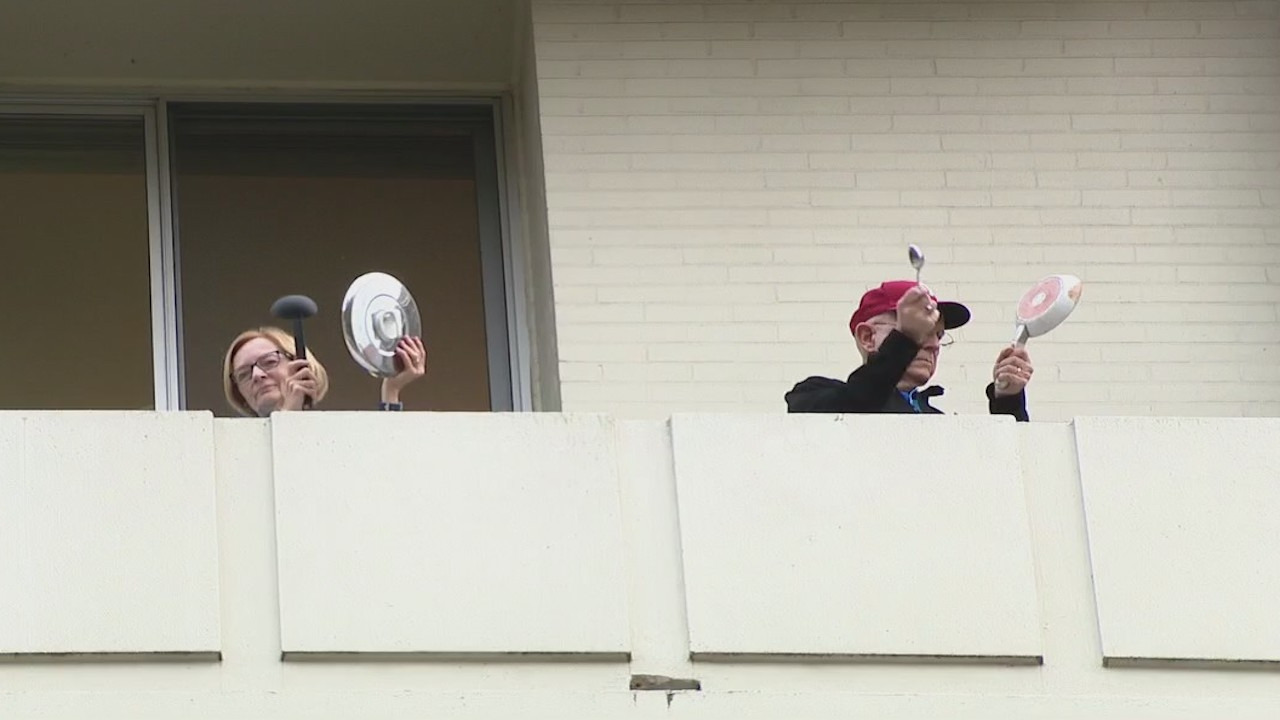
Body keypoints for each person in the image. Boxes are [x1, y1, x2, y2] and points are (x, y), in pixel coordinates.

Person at [784, 280, 1033, 421]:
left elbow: (1009, 467)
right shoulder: (814, 396)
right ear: (867, 337)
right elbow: (858, 406)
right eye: (921, 329)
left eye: (938, 335)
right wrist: (906, 339)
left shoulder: (938, 421)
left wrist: (1008, 400)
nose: (933, 344)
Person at [222, 326, 427, 417]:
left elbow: (385, 460)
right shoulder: (237, 448)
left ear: (299, 364)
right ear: (240, 395)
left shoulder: (329, 435)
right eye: (244, 374)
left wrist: (391, 389)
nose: (257, 375)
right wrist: (288, 415)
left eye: (269, 362)